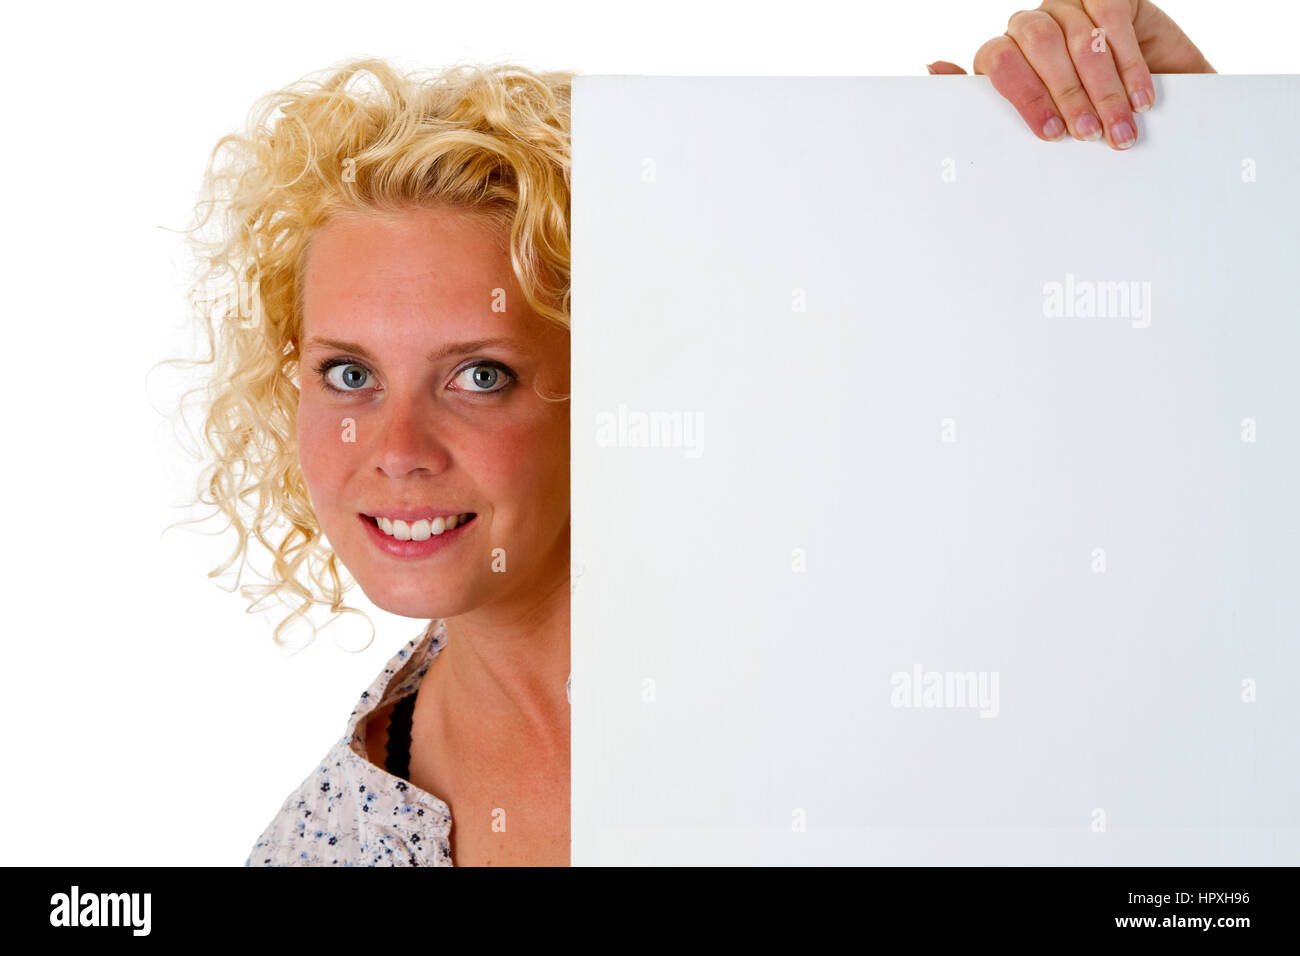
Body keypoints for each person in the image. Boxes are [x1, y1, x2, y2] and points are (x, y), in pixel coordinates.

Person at [173, 0, 1211, 867]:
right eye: (347, 372)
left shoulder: (874, 625)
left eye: (480, 374)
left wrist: (1180, 174)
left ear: (612, 375)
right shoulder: (322, 849)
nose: (396, 447)